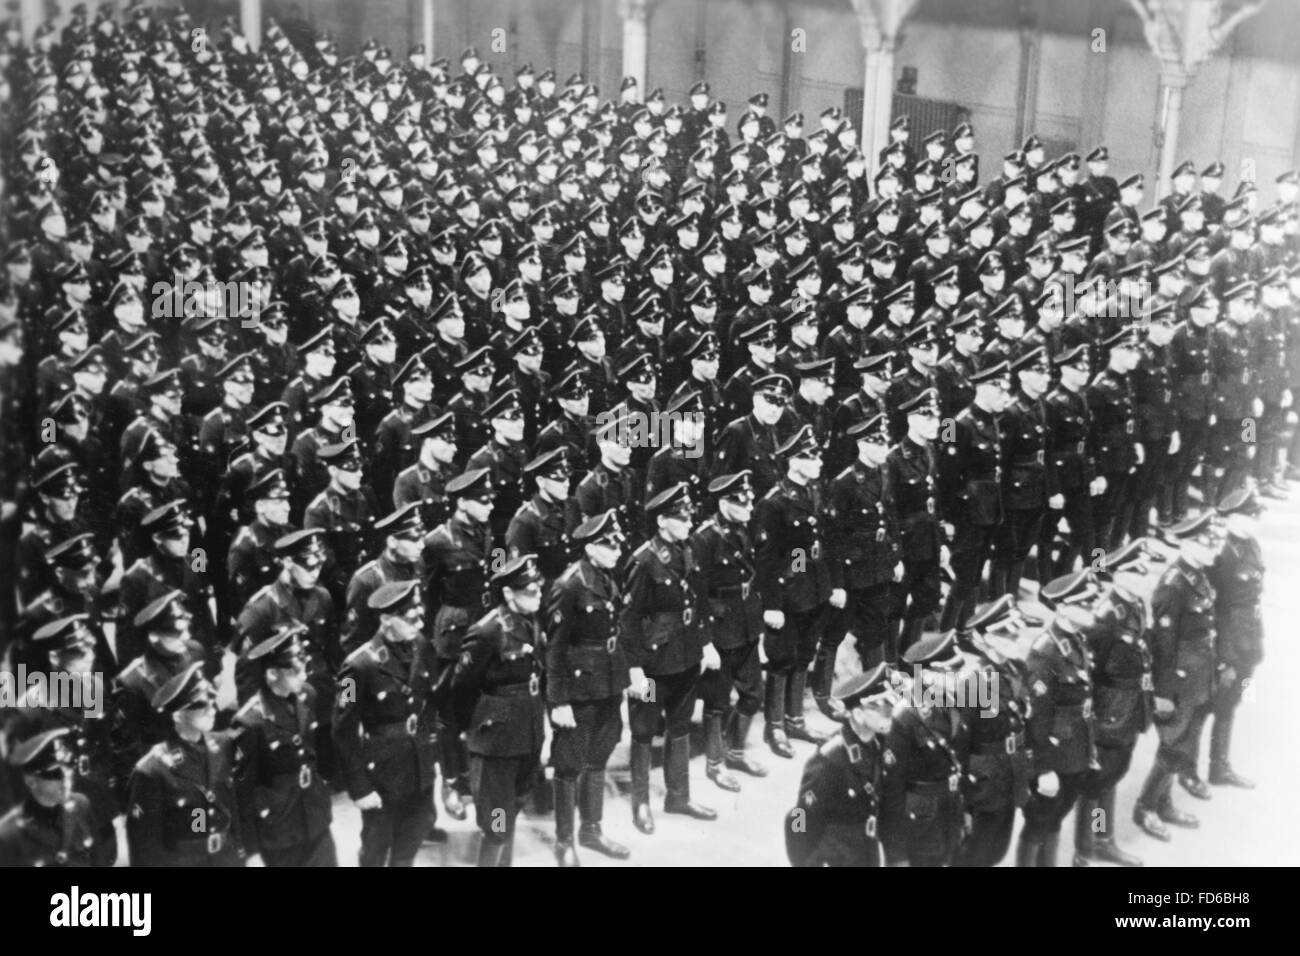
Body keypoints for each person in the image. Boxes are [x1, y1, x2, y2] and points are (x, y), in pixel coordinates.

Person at [621, 482, 718, 833]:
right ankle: (640, 804)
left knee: (679, 727)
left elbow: (699, 601)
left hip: (686, 657)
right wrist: (633, 670)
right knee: (644, 730)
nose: (688, 523)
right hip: (651, 667)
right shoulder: (644, 561)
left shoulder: (688, 549)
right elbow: (628, 621)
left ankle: (678, 796)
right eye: (681, 518)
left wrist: (706, 643)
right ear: (662, 522)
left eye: (689, 516)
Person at [545, 511, 633, 865]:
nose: (617, 550)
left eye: (617, 543)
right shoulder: (569, 585)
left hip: (609, 681)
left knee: (599, 755)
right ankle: (564, 840)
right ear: (591, 547)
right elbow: (554, 648)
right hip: (579, 688)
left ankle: (591, 829)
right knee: (569, 763)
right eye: (609, 545)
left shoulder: (607, 578)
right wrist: (558, 700)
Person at [333, 580, 439, 867]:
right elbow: (342, 732)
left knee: (415, 831)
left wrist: (434, 752)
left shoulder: (419, 645)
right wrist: (360, 787)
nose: (417, 623)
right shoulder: (356, 667)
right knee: (377, 845)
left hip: (419, 763)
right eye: (409, 618)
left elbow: (431, 702)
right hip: (383, 771)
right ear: (386, 620)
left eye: (419, 615)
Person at [452, 554, 549, 866]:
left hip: (528, 731)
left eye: (539, 590)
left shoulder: (530, 619)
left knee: (513, 809)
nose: (539, 597)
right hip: (496, 741)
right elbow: (461, 688)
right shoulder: (487, 631)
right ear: (508, 593)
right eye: (530, 592)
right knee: (496, 821)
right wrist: (475, 728)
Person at [1132, 512, 1221, 841]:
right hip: (1179, 679)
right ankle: (1145, 806)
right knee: (1174, 746)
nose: (1214, 547)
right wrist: (1163, 692)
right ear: (1187, 544)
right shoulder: (1173, 586)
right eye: (1206, 542)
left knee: (1184, 742)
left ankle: (1163, 802)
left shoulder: (1196, 575)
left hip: (1198, 673)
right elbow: (1163, 646)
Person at [232, 623, 337, 867]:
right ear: (272, 674)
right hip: (278, 827)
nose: (303, 676)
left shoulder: (307, 695)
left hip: (314, 813)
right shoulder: (250, 722)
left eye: (305, 668)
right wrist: (250, 851)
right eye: (295, 671)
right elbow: (242, 793)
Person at [125, 662, 245, 867]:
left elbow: (231, 806)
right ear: (177, 715)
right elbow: (145, 845)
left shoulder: (221, 745)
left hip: (225, 858)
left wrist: (241, 854)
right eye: (200, 705)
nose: (211, 709)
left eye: (211, 701)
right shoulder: (153, 770)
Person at [693, 471, 769, 790]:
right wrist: (705, 643)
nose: (749, 507)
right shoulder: (705, 538)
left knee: (754, 694)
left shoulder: (743, 528)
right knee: (717, 701)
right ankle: (715, 763)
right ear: (725, 503)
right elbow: (696, 593)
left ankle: (736, 750)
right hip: (720, 625)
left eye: (749, 500)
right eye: (742, 502)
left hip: (747, 622)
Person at [1018, 572, 1099, 867]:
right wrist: (1043, 768)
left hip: (1076, 748)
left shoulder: (1076, 640)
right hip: (1054, 756)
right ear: (1063, 608)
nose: (1092, 608)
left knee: (1057, 817)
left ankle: (1067, 857)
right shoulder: (1045, 654)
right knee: (1040, 821)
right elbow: (1036, 718)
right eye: (1084, 604)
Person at [784, 664, 901, 867]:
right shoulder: (831, 759)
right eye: (880, 708)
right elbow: (799, 817)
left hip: (865, 852)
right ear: (857, 715)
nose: (889, 712)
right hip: (833, 857)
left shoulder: (877, 744)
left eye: (889, 706)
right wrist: (803, 862)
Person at [880, 630, 970, 867]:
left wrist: (963, 812)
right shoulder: (904, 717)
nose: (957, 679)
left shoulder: (951, 704)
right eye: (950, 673)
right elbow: (891, 791)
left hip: (947, 812)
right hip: (917, 821)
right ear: (927, 676)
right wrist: (896, 854)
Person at [1200, 487, 1265, 789]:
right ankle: (1188, 770)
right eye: (1251, 516)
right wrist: (1225, 658)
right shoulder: (1222, 553)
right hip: (1229, 640)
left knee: (1231, 703)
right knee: (1207, 706)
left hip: (1248, 636)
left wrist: (1256, 644)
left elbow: (1252, 598)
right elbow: (1217, 607)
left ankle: (1219, 766)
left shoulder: (1251, 546)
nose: (1256, 520)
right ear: (1234, 518)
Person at [0, 728, 102, 867]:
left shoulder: (81, 804)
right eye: (56, 775)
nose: (66, 781)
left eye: (68, 770)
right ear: (30, 781)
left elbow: (97, 859)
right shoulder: (8, 836)